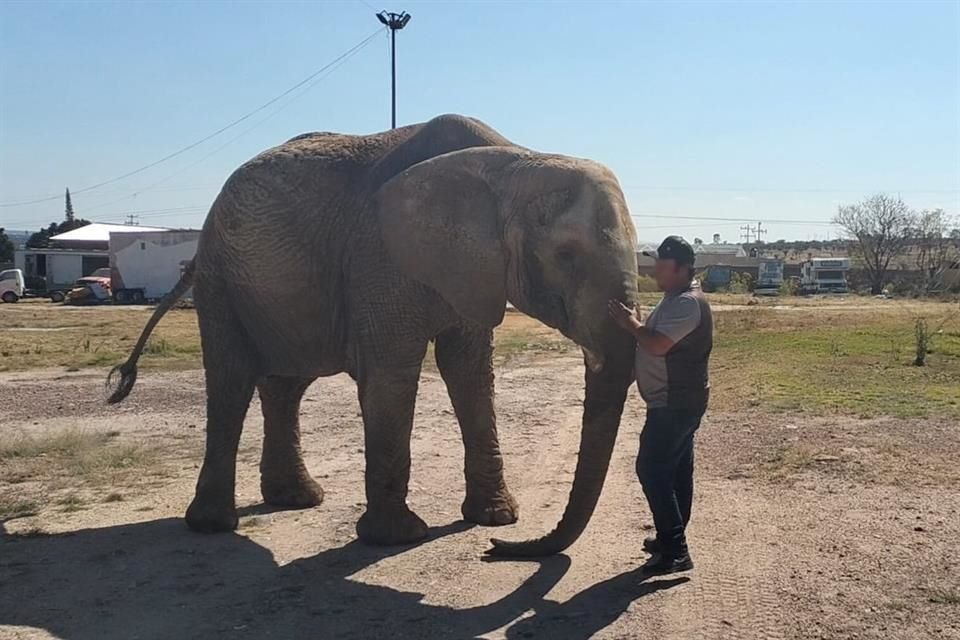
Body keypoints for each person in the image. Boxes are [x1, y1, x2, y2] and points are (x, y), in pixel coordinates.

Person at [607, 235, 713, 576]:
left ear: (683, 269)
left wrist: (631, 325)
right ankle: (672, 538)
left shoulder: (687, 303)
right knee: (677, 471)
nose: (655, 272)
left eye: (663, 267)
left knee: (651, 469)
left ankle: (677, 549)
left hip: (675, 403)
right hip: (676, 401)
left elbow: (657, 345)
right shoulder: (674, 299)